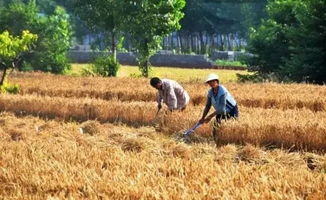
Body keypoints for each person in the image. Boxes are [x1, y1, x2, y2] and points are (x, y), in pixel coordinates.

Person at [199, 73, 239, 144]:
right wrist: (203, 117)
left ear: (217, 82)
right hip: (220, 110)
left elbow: (221, 108)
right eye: (209, 82)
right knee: (216, 124)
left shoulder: (222, 91)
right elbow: (208, 106)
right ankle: (215, 140)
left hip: (231, 109)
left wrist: (210, 116)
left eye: (213, 81)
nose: (211, 83)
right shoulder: (210, 92)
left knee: (233, 126)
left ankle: (233, 142)